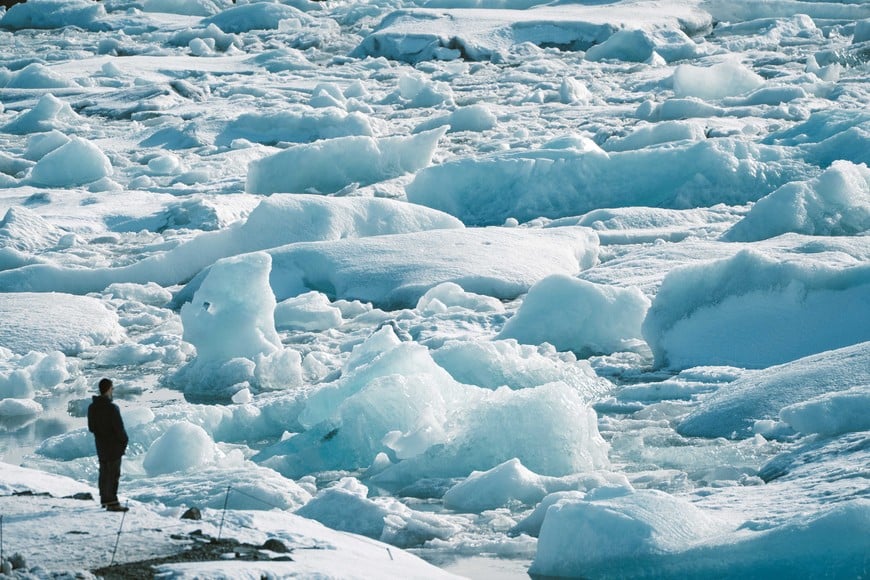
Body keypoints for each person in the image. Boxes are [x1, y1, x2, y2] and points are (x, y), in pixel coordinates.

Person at [87, 378, 129, 512]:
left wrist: (102, 435)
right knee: (113, 475)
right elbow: (119, 429)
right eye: (113, 388)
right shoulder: (112, 408)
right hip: (114, 446)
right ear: (109, 389)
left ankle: (105, 500)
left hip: (101, 445)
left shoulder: (92, 407)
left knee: (104, 473)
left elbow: (91, 427)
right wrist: (123, 442)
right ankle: (113, 503)